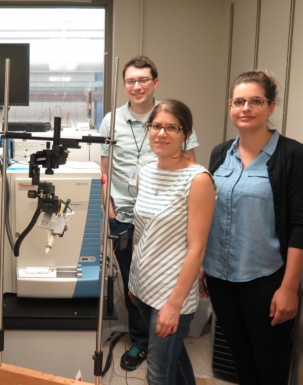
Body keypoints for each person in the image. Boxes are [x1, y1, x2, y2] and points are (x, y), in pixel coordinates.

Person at [201, 70, 303, 385]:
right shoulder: (220, 153)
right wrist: (204, 266)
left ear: (270, 107)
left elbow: (300, 224)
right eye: (239, 101)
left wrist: (289, 288)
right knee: (240, 360)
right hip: (221, 278)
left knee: (269, 364)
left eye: (255, 101)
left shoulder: (291, 154)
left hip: (266, 280)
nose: (246, 108)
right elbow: (209, 214)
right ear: (231, 107)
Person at [99, 56, 199, 371]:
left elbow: (191, 168)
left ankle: (165, 343)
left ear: (155, 82)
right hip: (126, 218)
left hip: (167, 221)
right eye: (131, 80)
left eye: (144, 79)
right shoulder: (111, 122)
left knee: (167, 285)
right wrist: (110, 210)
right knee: (134, 288)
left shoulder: (171, 116)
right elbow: (104, 171)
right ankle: (142, 342)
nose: (137, 86)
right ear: (124, 85)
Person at [127, 99, 215, 385]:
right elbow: (140, 232)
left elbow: (197, 248)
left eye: (171, 127)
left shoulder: (197, 179)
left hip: (171, 292)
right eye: (156, 126)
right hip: (142, 285)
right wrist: (133, 281)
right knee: (174, 360)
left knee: (158, 374)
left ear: (185, 133)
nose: (161, 133)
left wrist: (174, 305)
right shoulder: (146, 171)